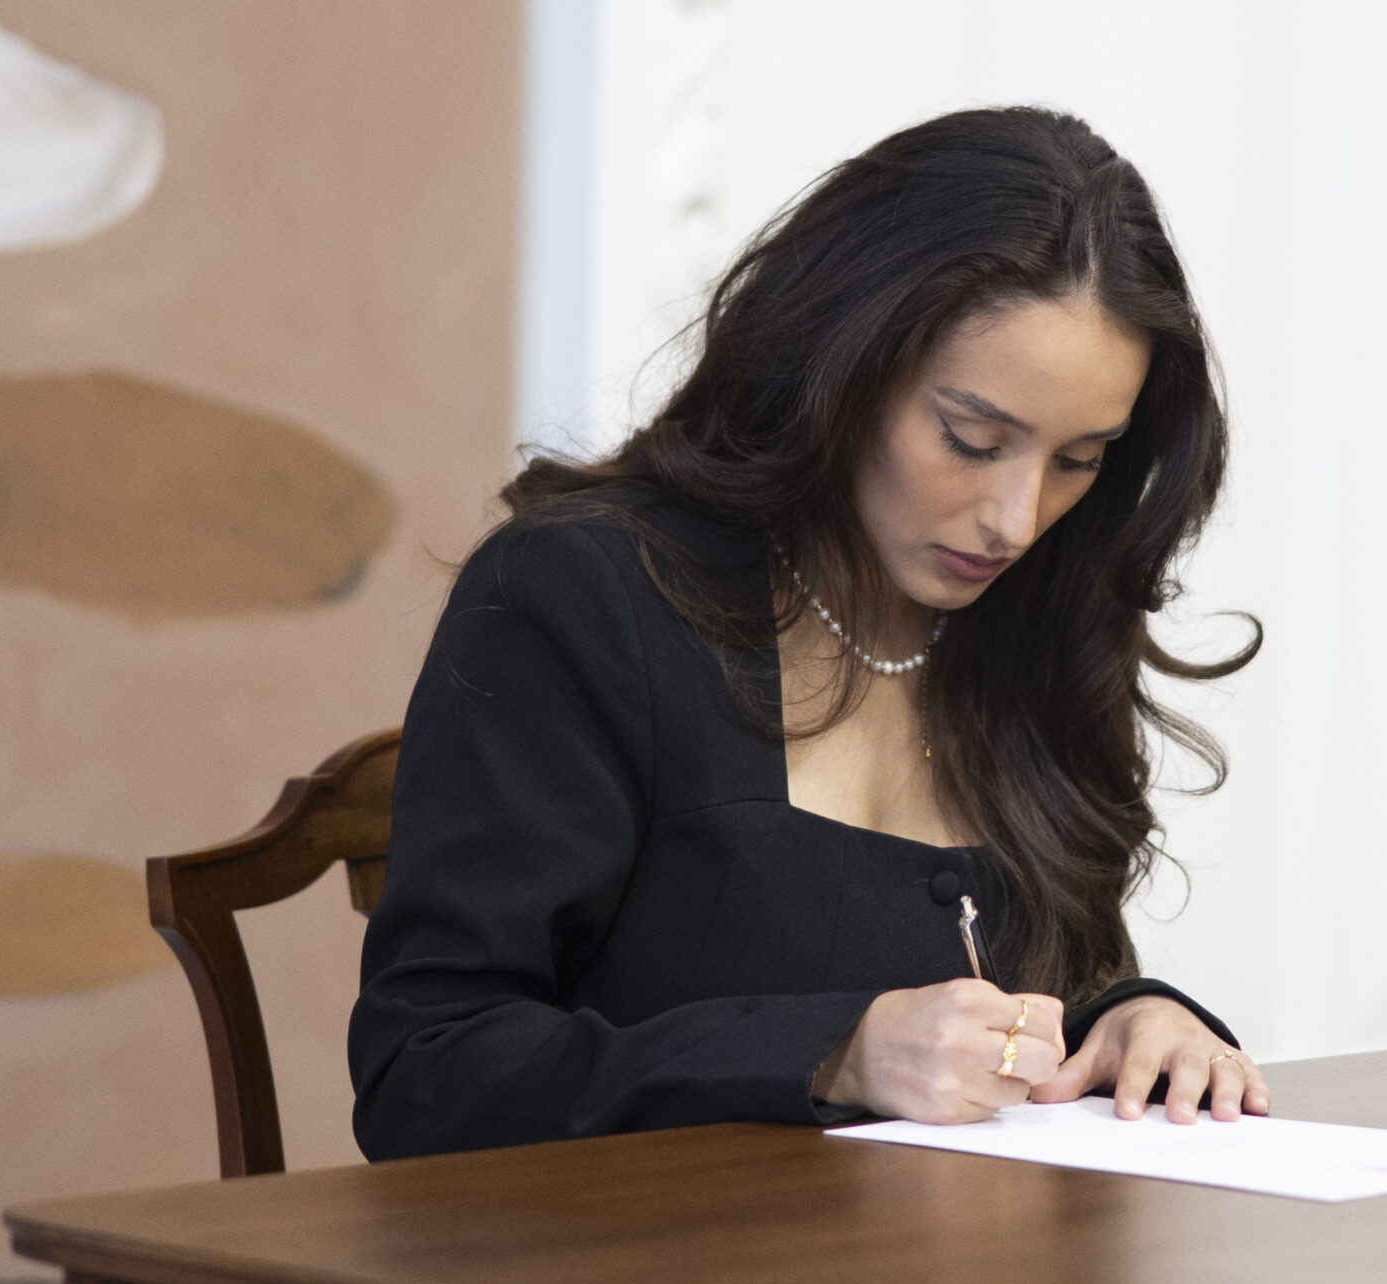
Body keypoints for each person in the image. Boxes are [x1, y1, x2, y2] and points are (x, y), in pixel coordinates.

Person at [349, 107, 1269, 1160]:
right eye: (972, 439)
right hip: (627, 1256)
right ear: (841, 365)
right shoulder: (586, 595)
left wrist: (1127, 1019)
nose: (1016, 521)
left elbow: (1022, 1007)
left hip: (946, 1260)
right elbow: (425, 1072)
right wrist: (836, 1054)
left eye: (1078, 460)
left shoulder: (1034, 620)